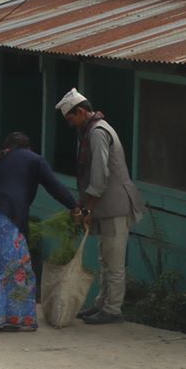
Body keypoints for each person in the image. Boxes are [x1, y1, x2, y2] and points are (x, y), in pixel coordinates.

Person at [0, 131, 76, 331]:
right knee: (17, 267)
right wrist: (76, 207)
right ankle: (15, 319)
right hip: (3, 216)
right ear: (27, 147)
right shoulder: (33, 159)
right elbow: (55, 187)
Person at [59, 89, 145, 324]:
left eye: (70, 118)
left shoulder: (97, 133)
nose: (70, 124)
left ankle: (113, 309)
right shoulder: (91, 131)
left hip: (115, 206)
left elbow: (99, 179)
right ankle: (101, 304)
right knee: (105, 260)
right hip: (106, 208)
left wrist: (86, 210)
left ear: (81, 111)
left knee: (114, 262)